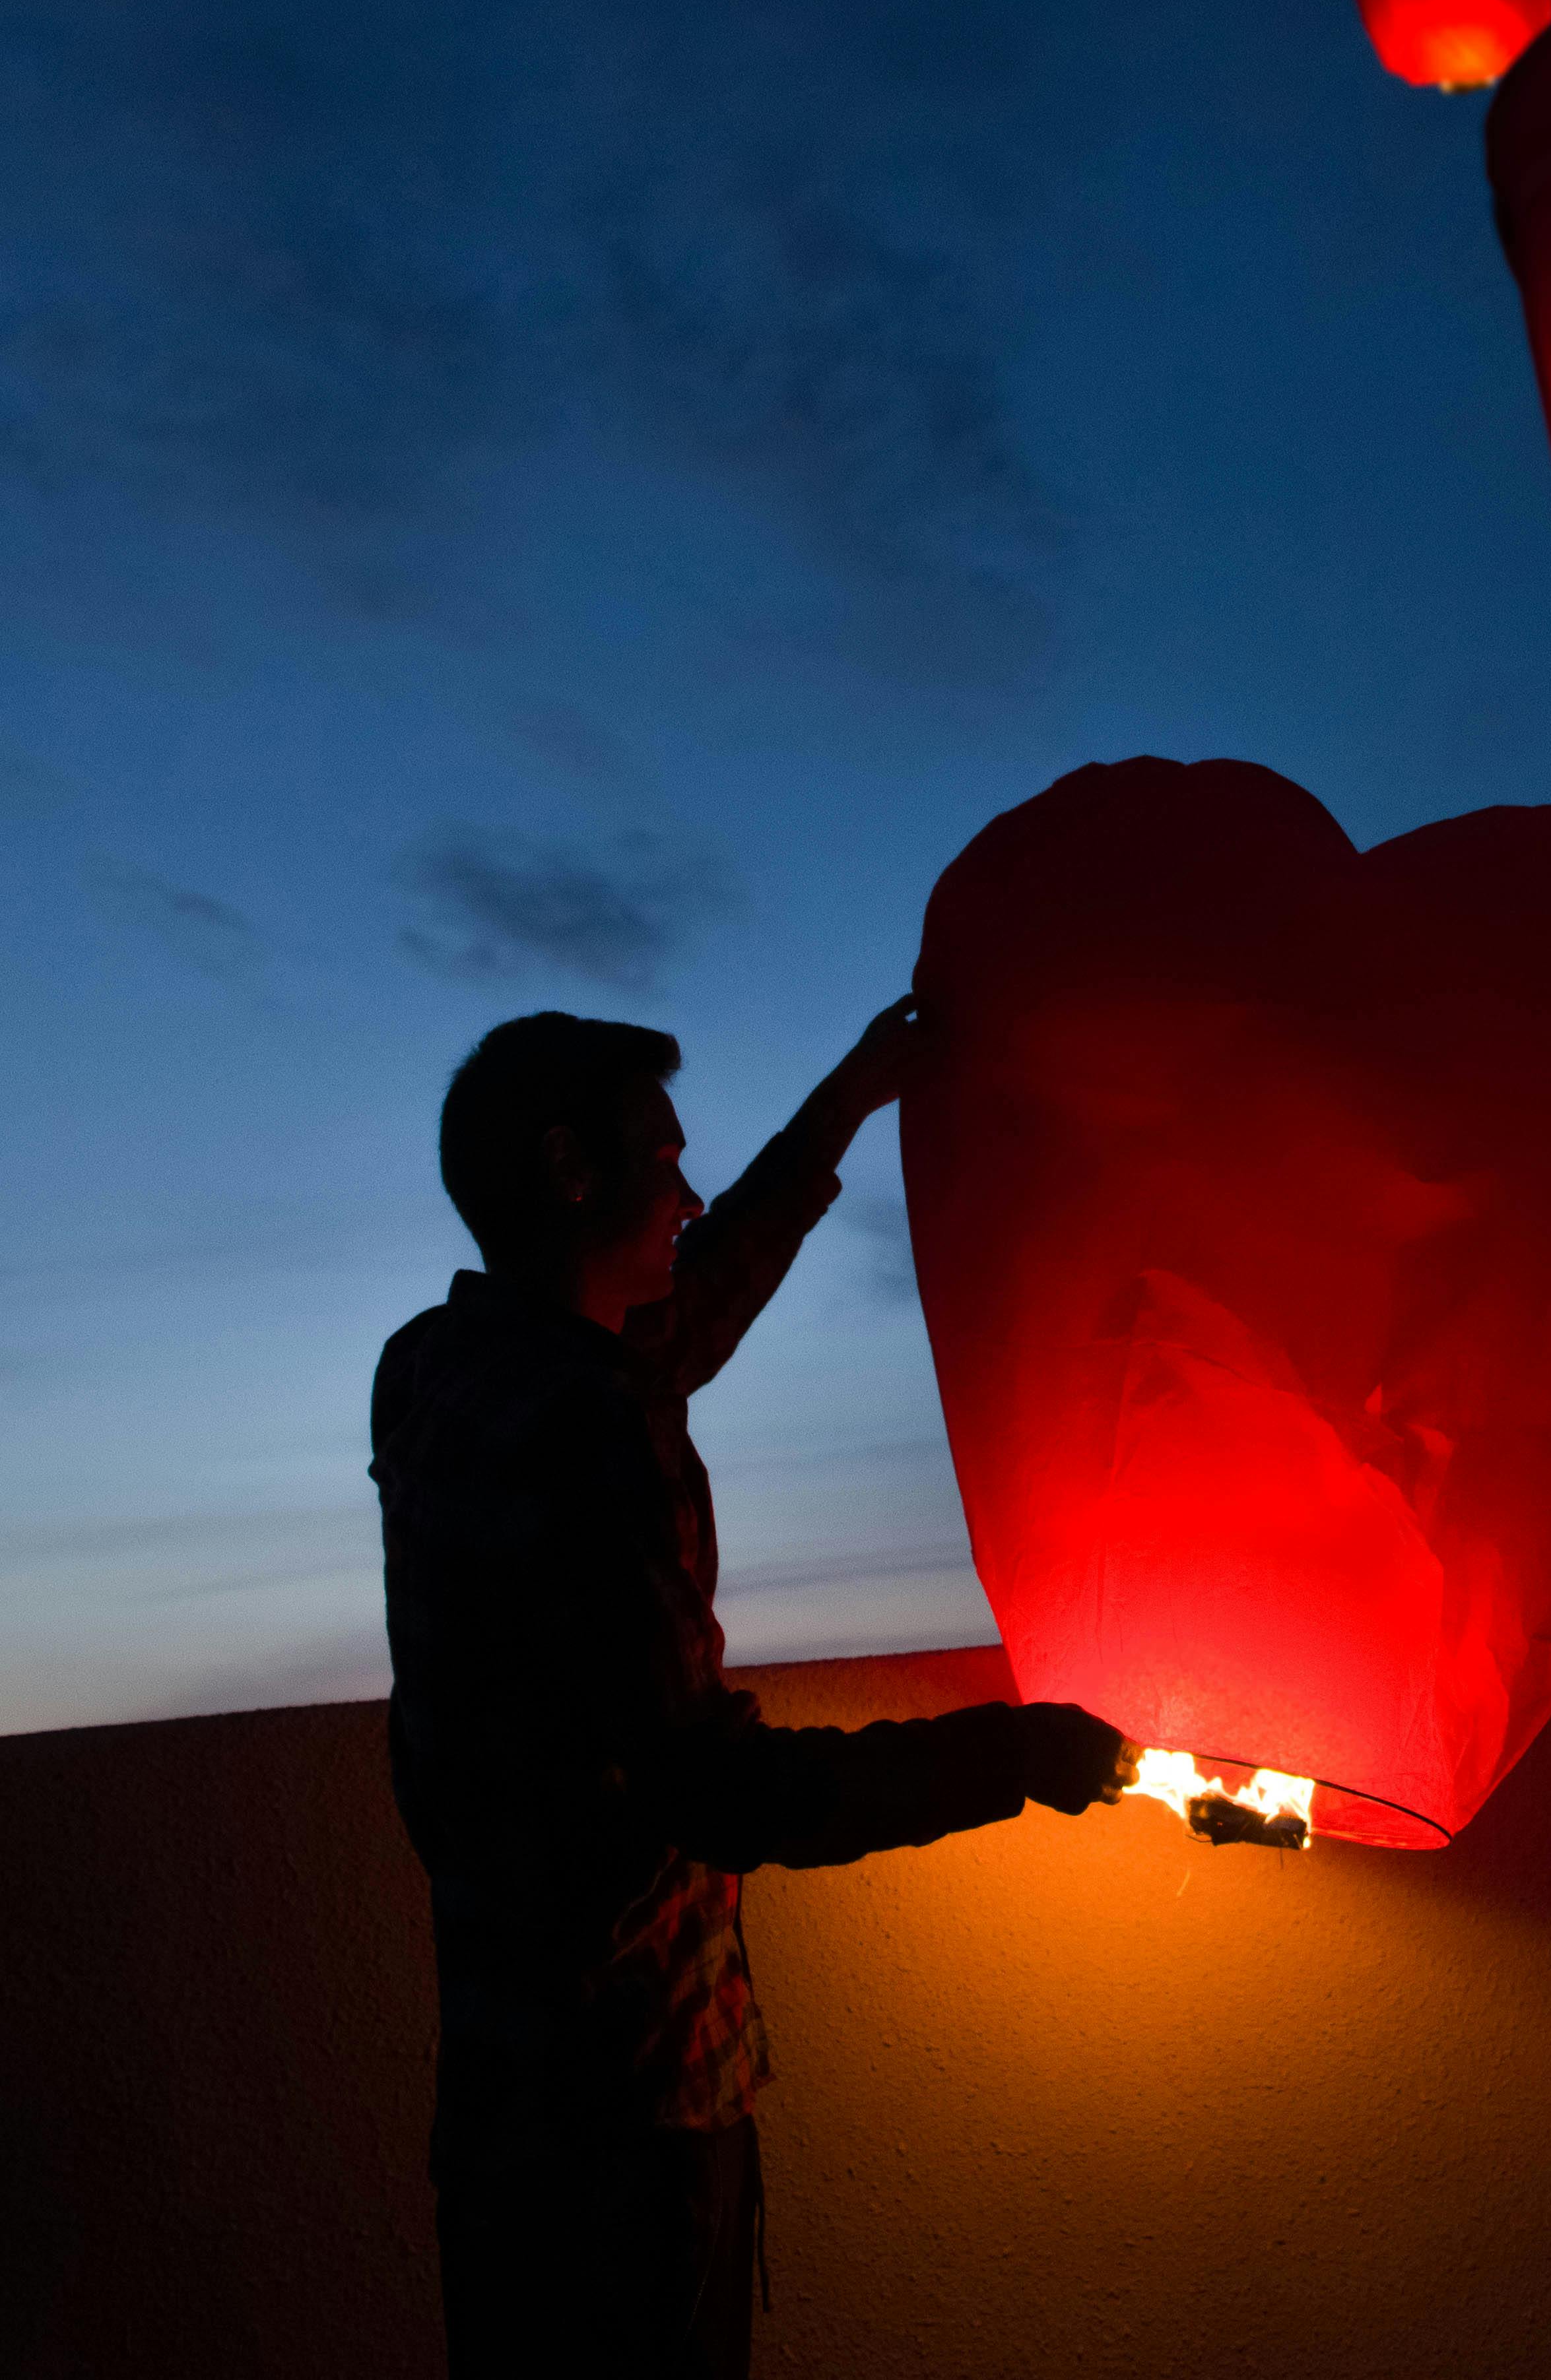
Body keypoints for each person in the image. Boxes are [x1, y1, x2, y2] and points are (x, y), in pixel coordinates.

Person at [370, 1000, 1125, 2379]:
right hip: (633, 2108)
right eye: (662, 1159)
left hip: (503, 2105)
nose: (689, 1191)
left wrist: (845, 1103)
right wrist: (1013, 1758)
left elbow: (686, 1304)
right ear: (570, 1169)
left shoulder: (433, 1370)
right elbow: (718, 1790)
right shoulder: (589, 1427)